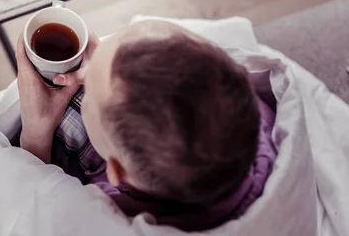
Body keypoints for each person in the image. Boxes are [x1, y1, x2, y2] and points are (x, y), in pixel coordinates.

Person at [15, 19, 277, 231]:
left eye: (89, 97)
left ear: (116, 172)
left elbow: (33, 208)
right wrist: (105, 67)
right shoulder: (255, 115)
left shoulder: (107, 213)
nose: (83, 78)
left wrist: (36, 136)